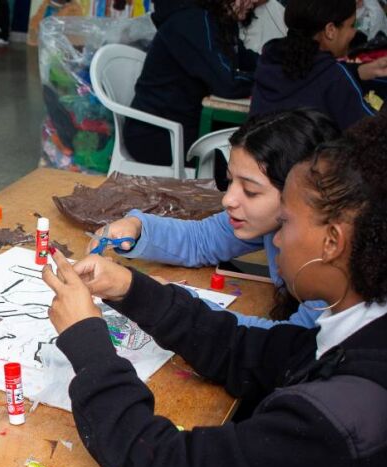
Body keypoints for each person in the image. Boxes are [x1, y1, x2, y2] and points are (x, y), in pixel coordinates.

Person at [43, 113, 387, 467]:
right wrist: (131, 289)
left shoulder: (342, 416)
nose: (275, 243)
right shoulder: (354, 336)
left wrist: (90, 347)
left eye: (284, 223)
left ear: (332, 242)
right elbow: (245, 350)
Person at [90, 108, 339, 328]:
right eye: (230, 181)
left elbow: (277, 346)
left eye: (250, 191)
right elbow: (203, 239)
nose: (228, 200)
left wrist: (162, 301)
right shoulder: (267, 222)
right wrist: (138, 227)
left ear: (298, 193)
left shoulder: (332, 275)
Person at [124, 0, 260, 166]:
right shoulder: (193, 21)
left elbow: (243, 59)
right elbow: (228, 84)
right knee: (248, 161)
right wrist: (269, 78)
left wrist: (278, 62)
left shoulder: (215, 20)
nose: (255, 2)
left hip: (183, 125)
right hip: (158, 134)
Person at [250, 0, 387, 129]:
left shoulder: (269, 60)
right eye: (351, 25)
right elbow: (369, 132)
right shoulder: (334, 78)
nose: (354, 33)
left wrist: (360, 71)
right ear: (330, 30)